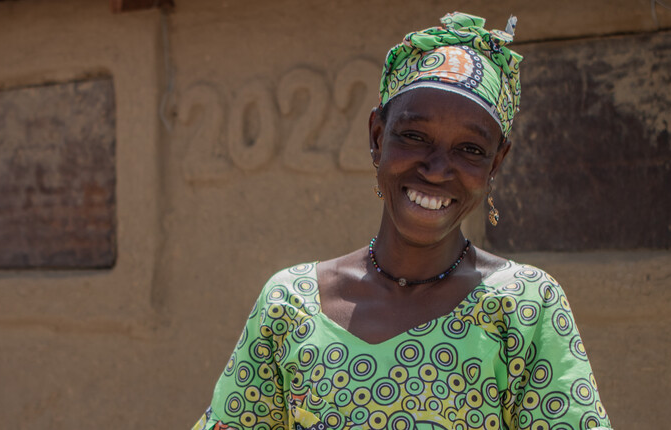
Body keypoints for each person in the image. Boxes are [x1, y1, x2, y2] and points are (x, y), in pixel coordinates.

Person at [192, 12, 612, 430]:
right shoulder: (291, 305)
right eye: (414, 137)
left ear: (496, 163)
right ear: (377, 137)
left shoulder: (524, 305)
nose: (436, 169)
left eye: (470, 149)